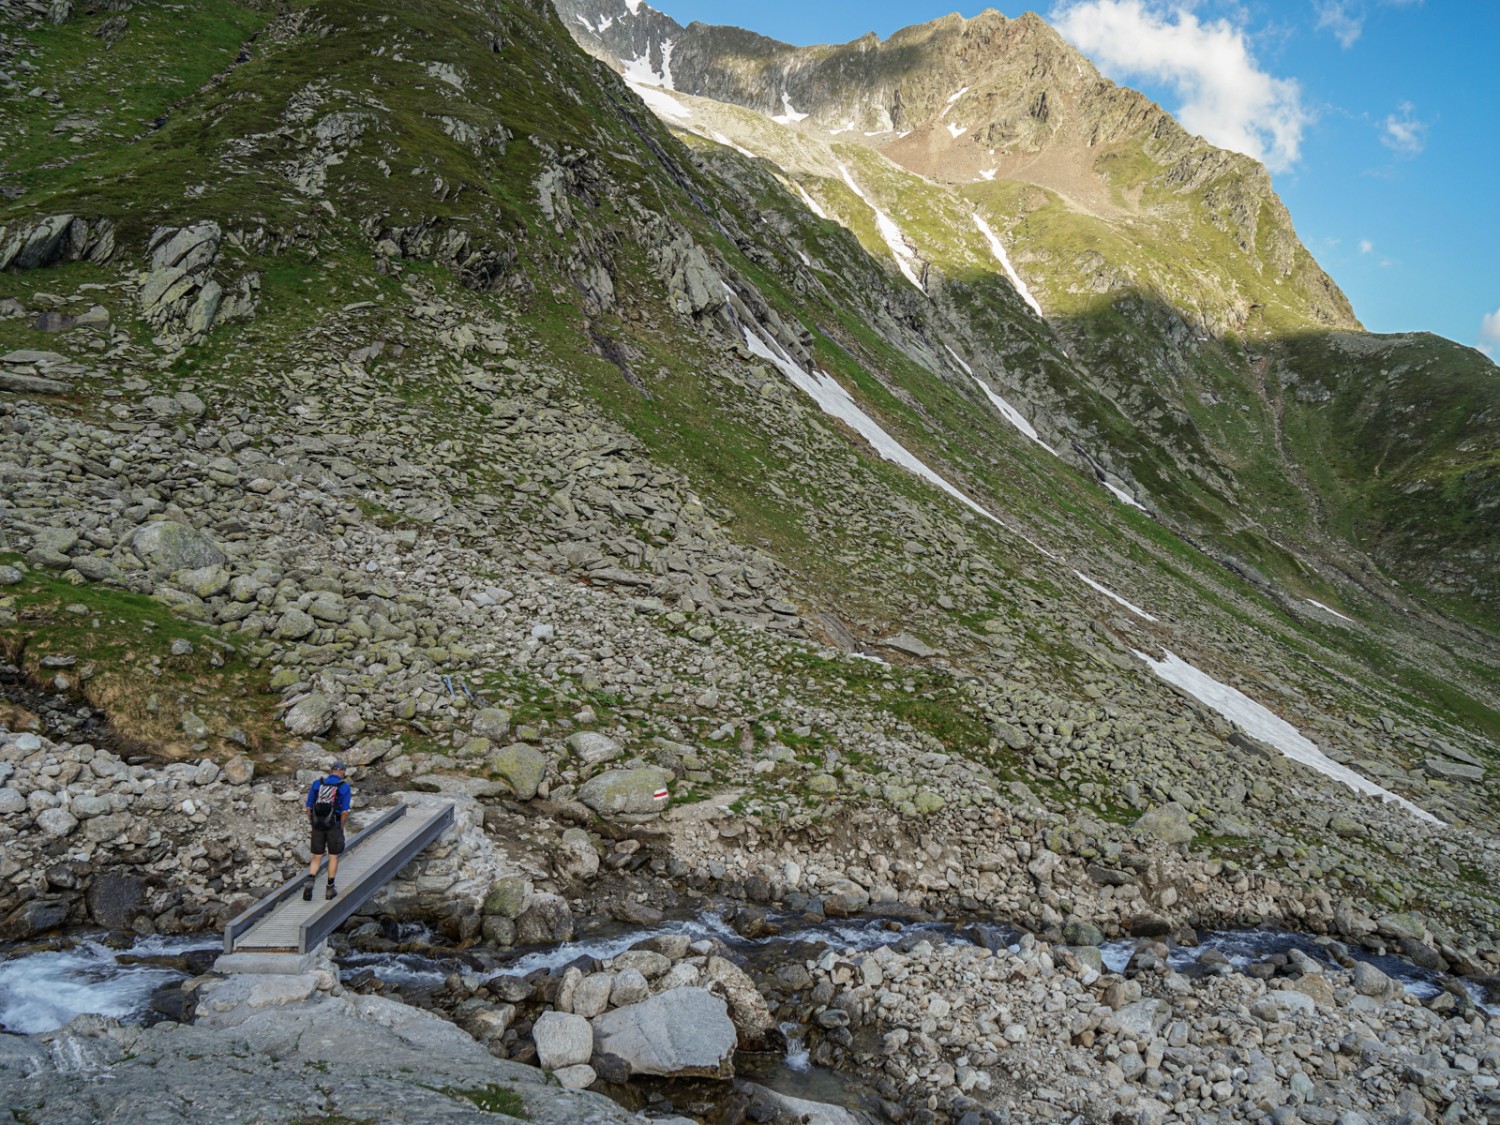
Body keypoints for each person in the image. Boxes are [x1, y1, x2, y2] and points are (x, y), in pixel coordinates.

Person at [302, 761, 352, 901]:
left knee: (317, 856)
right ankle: (330, 889)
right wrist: (341, 826)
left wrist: (313, 822)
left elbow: (308, 807)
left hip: (318, 825)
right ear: (342, 771)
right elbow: (345, 811)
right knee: (333, 856)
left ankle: (309, 885)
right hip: (333, 825)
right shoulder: (344, 787)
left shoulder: (318, 783)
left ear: (331, 771)